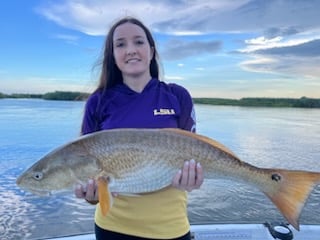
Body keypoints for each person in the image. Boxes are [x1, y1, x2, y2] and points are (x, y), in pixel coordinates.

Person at [75, 16, 204, 240]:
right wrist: (90, 195)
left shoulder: (177, 96)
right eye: (120, 44)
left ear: (151, 51)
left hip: (170, 228)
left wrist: (194, 177)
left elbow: (197, 156)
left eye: (139, 42)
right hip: (112, 229)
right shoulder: (98, 101)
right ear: (113, 56)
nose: (131, 50)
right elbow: (89, 171)